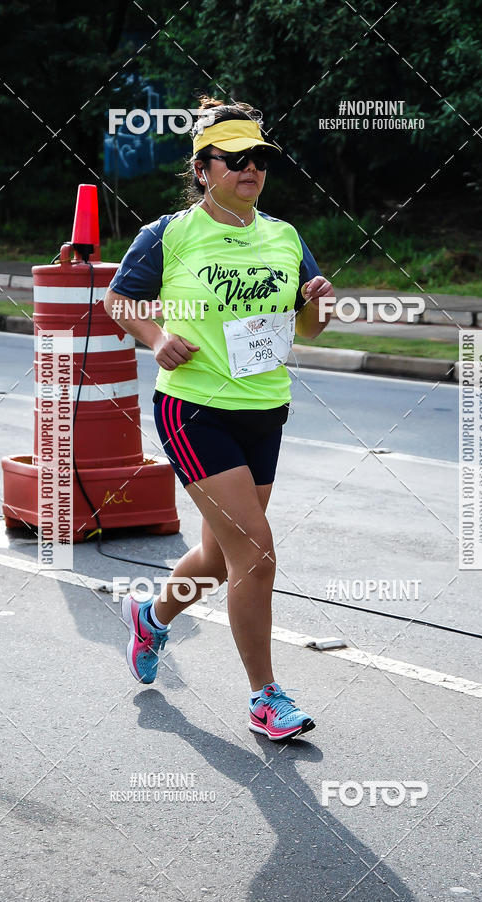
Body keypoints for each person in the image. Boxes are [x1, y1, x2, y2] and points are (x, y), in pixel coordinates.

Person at [104, 96, 333, 741]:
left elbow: (307, 329)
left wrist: (317, 303)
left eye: (258, 160)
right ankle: (265, 698)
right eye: (236, 160)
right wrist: (154, 339)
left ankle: (151, 617)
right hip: (194, 408)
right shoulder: (170, 234)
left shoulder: (285, 237)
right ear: (203, 168)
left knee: (215, 556)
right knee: (255, 555)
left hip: (265, 408)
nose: (250, 170)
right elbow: (121, 299)